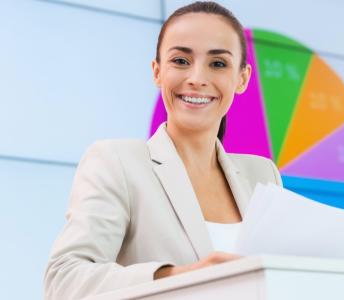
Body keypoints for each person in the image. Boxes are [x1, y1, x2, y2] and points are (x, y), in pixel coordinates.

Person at [43, 2, 282, 299]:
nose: (197, 77)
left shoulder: (262, 173)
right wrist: (178, 276)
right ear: (157, 71)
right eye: (181, 60)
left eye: (218, 63)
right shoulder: (117, 162)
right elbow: (64, 279)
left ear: (242, 78)